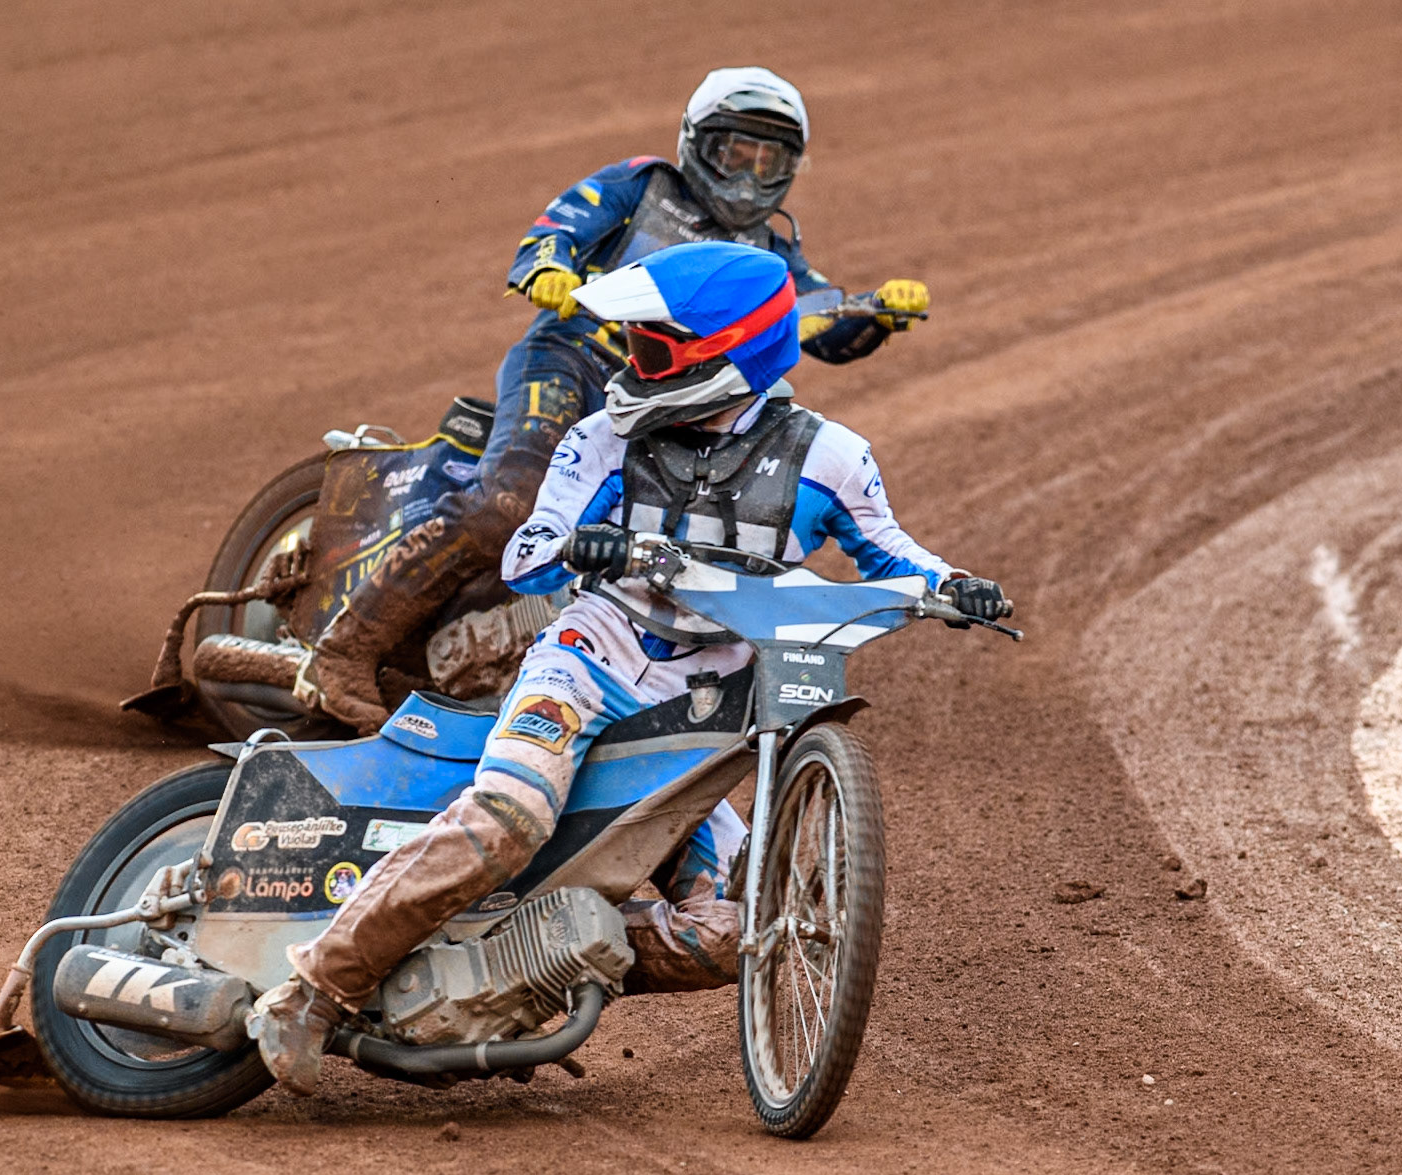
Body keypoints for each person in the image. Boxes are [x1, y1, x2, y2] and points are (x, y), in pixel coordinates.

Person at [251, 241, 1009, 1094]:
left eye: (652, 349)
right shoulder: (605, 437)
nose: (632, 364)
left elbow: (887, 550)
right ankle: (312, 989)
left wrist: (954, 587)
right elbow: (527, 555)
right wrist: (583, 542)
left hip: (701, 710)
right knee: (509, 817)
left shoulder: (828, 457)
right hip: (589, 660)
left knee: (737, 930)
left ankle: (532, 966)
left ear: (726, 358)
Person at [300, 65, 936, 734]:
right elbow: (555, 229)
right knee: (509, 504)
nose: (748, 176)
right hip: (573, 361)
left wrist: (872, 313)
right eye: (733, 153)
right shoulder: (642, 186)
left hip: (675, 407)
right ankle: (342, 651)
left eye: (767, 159)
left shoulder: (770, 254)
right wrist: (548, 267)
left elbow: (817, 323)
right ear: (698, 143)